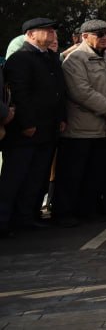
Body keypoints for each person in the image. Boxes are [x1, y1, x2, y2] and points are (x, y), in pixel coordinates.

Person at [55, 20, 106, 227]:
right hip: (81, 129)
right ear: (85, 36)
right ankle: (65, 213)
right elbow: (80, 91)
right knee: (73, 174)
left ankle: (88, 210)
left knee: (96, 173)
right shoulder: (75, 60)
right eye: (100, 34)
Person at [0, 18, 67, 236]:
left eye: (53, 31)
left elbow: (59, 91)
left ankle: (25, 218)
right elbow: (20, 94)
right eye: (46, 31)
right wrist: (26, 124)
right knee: (15, 177)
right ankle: (4, 221)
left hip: (48, 128)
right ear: (30, 34)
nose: (52, 34)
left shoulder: (50, 58)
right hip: (25, 131)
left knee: (36, 178)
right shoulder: (20, 58)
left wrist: (61, 117)